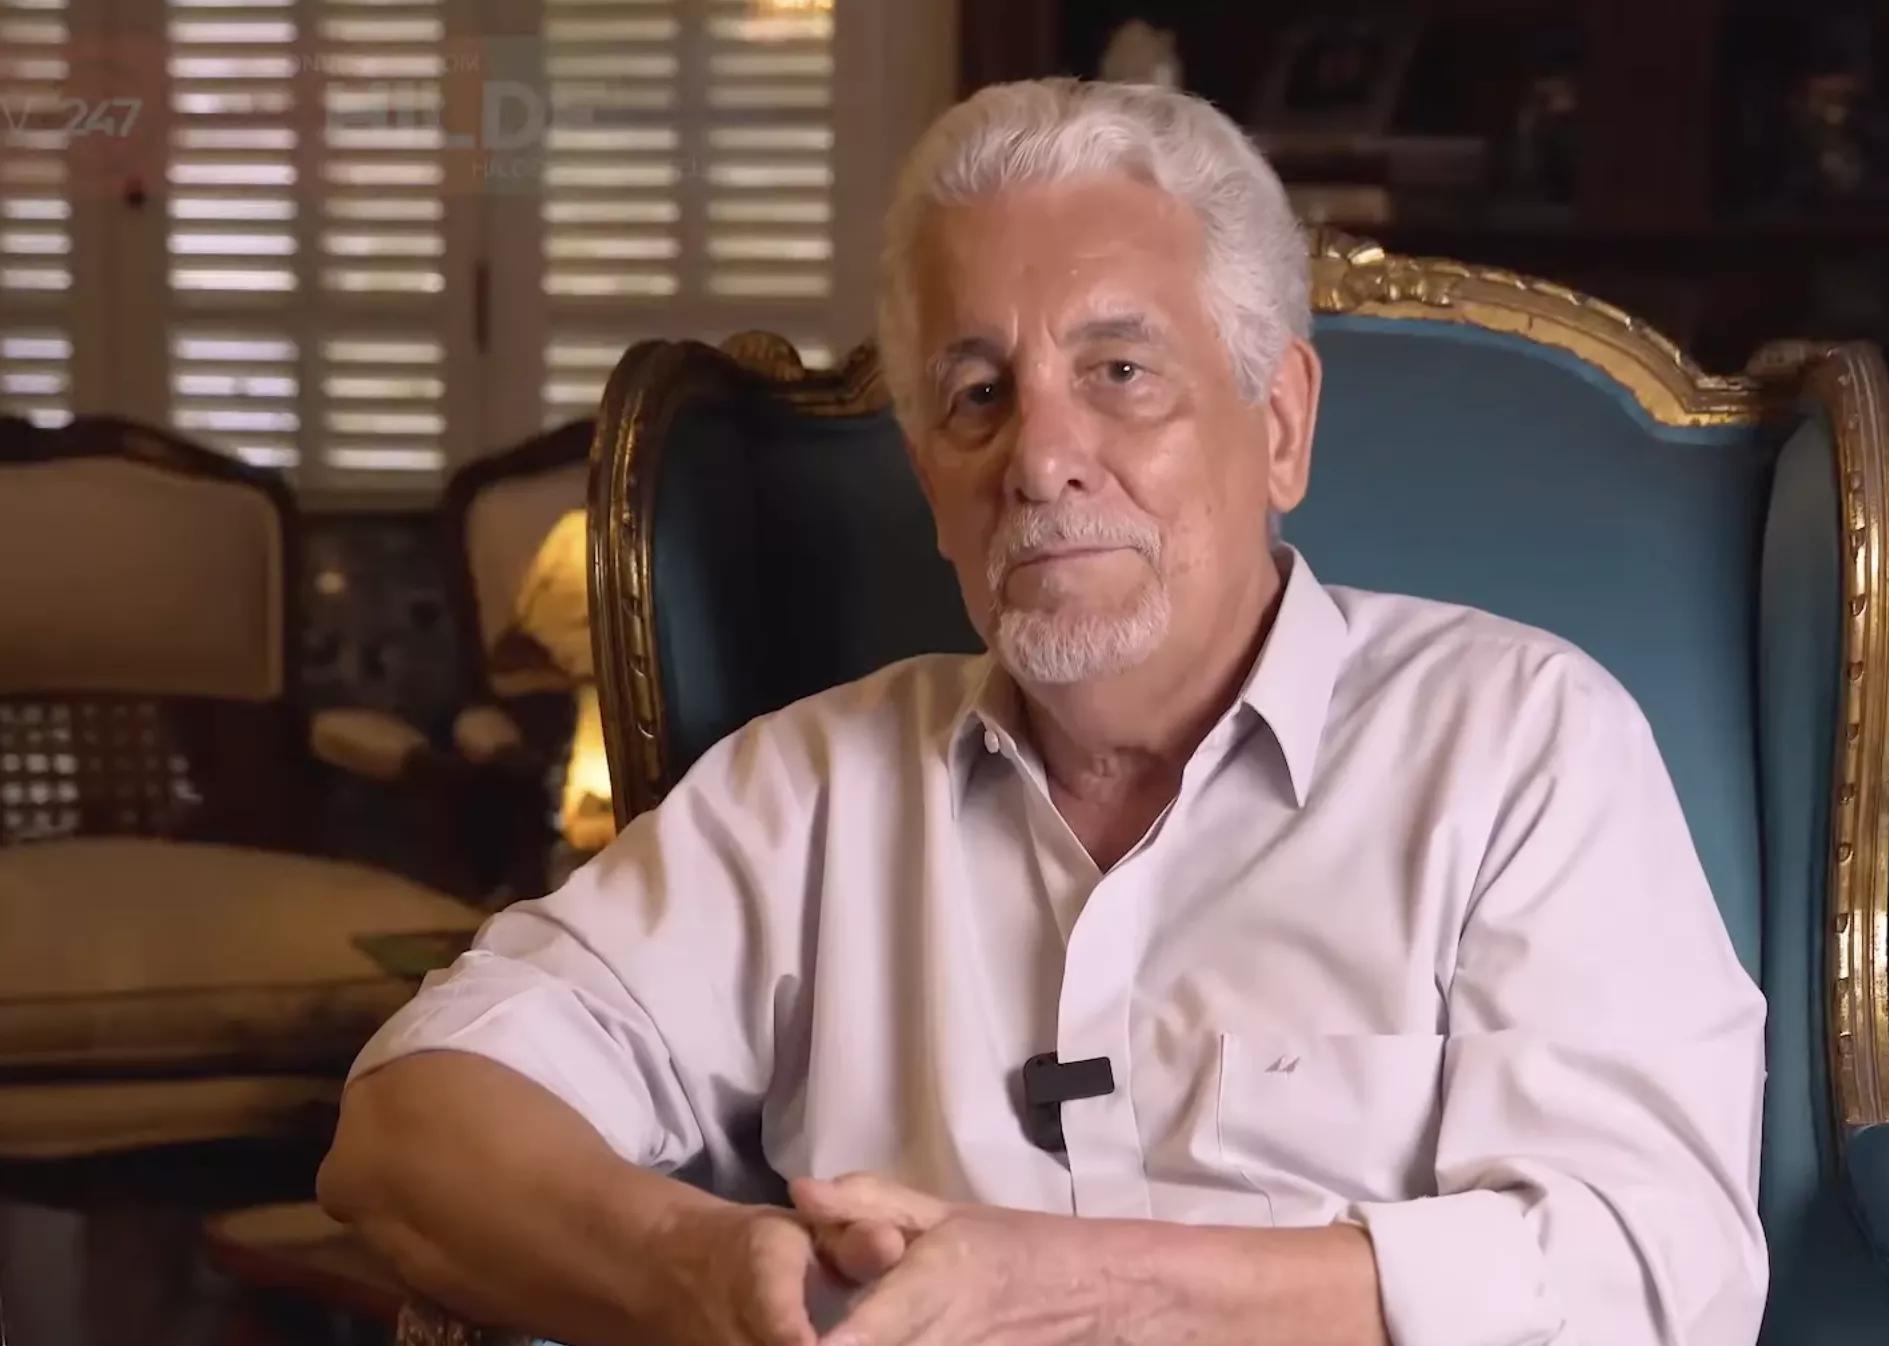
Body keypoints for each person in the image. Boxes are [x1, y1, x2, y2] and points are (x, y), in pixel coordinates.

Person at [318, 78, 1768, 1346]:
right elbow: (406, 1123)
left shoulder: (1517, 743)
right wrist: (694, 1268)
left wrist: (1090, 1292)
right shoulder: (806, 792)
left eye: (1120, 372)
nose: (1040, 457)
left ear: (1279, 424)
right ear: (929, 476)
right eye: (976, 394)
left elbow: (1665, 1277)